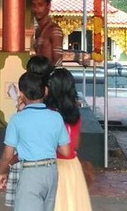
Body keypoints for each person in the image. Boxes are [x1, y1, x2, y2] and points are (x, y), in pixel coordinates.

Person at [0, 71, 70, 211]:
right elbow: (66, 151)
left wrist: (2, 172)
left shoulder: (17, 119)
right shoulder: (56, 117)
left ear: (22, 94)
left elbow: (7, 154)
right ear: (46, 91)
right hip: (52, 172)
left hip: (31, 173)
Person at [45, 67, 93, 211]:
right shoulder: (75, 114)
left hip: (53, 167)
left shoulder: (50, 115)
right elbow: (75, 144)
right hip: (72, 166)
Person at [30, 0, 64, 66]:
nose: (36, 9)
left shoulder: (54, 31)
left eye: (40, 5)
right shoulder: (38, 30)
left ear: (48, 6)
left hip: (49, 76)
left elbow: (58, 62)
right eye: (33, 5)